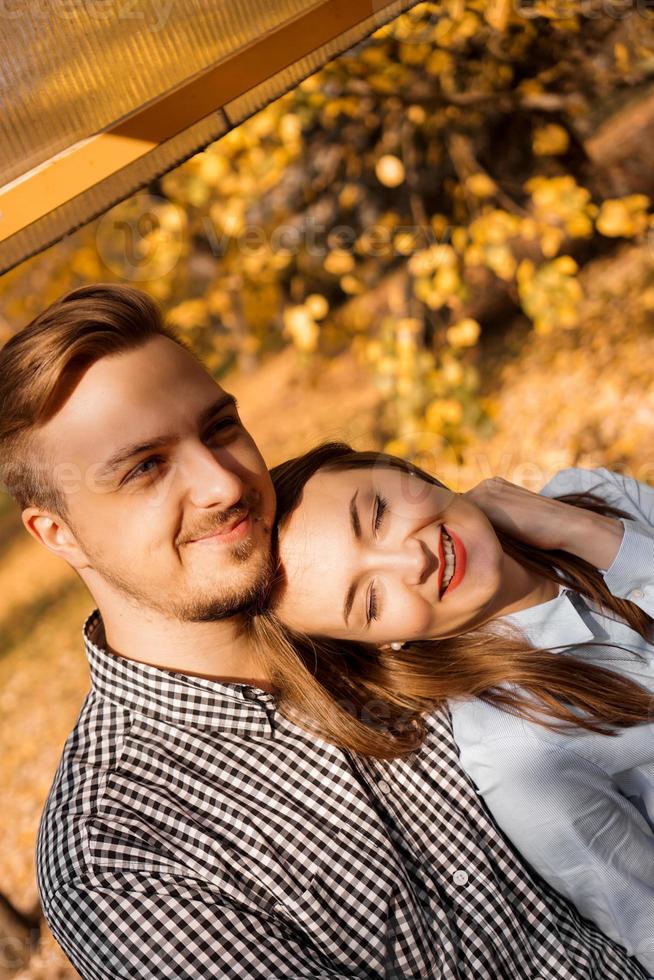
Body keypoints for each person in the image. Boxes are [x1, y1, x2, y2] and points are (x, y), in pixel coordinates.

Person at [1, 285, 646, 980]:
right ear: (58, 533)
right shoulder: (123, 852)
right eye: (145, 468)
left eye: (219, 428)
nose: (221, 482)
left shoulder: (392, 598)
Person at [268, 441, 654, 976]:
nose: (414, 560)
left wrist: (588, 534)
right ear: (384, 644)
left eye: (378, 514)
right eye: (372, 601)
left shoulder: (584, 496)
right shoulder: (520, 752)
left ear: (402, 473)